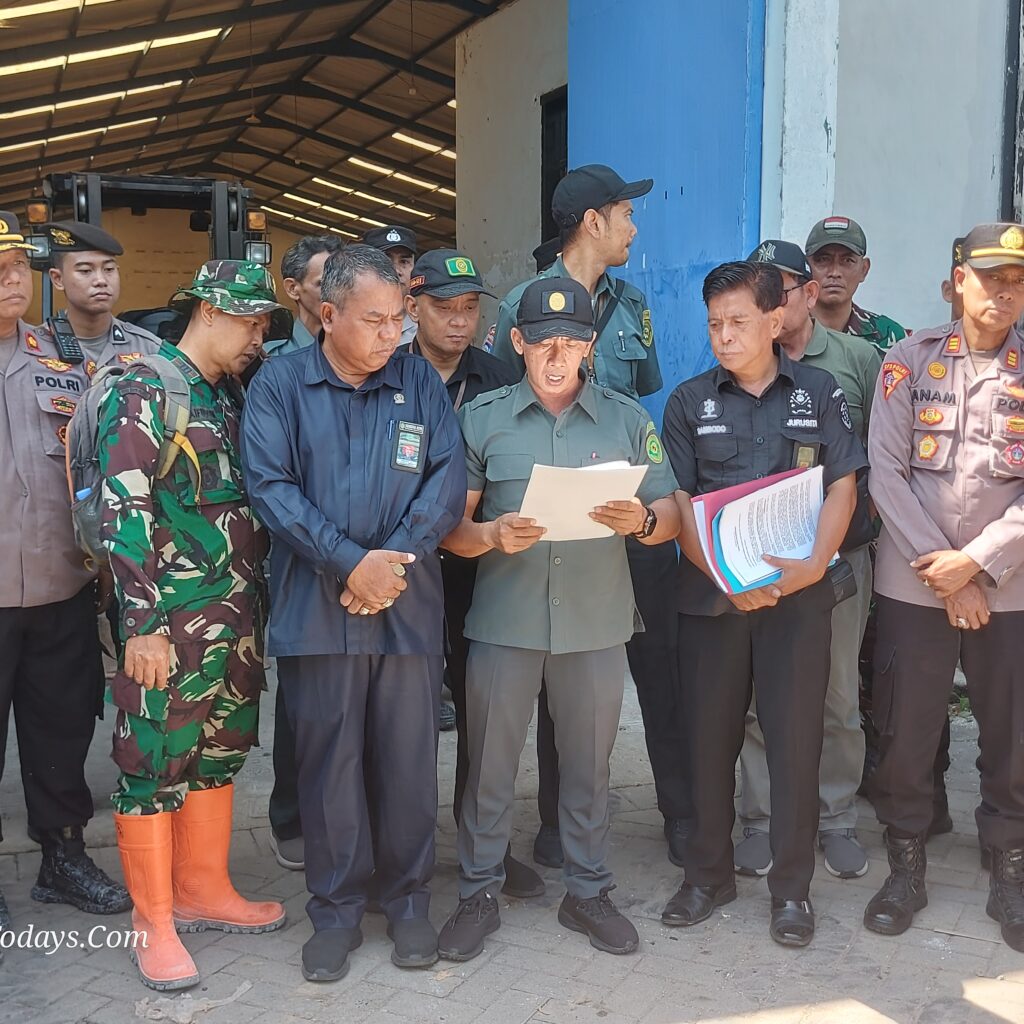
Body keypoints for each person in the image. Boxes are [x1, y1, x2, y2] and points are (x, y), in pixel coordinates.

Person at [436, 278, 681, 961]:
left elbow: (677, 511)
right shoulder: (482, 419)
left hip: (596, 625)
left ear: (591, 345)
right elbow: (448, 527)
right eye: (541, 341)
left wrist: (646, 521)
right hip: (505, 623)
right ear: (517, 342)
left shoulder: (628, 420)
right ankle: (479, 891)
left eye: (571, 342)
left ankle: (588, 891)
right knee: (488, 766)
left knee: (588, 768)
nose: (555, 354)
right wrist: (488, 536)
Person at [241, 245, 466, 982]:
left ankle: (406, 903)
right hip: (319, 608)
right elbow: (271, 488)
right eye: (376, 320)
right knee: (327, 765)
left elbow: (446, 476)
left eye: (400, 318)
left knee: (407, 764)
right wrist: (349, 561)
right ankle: (334, 910)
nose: (393, 334)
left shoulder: (418, 383)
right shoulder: (280, 384)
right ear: (327, 315)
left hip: (404, 607)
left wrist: (389, 562)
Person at [98, 260, 290, 990]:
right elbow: (125, 506)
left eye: (265, 322)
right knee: (153, 764)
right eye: (249, 320)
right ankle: (154, 922)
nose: (259, 335)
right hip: (169, 629)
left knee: (219, 753)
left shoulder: (230, 394)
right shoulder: (147, 387)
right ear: (207, 311)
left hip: (235, 620)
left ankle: (203, 888)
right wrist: (139, 625)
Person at [661, 261, 864, 948]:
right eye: (714, 323)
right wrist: (724, 576)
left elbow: (842, 486)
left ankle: (791, 893)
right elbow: (681, 505)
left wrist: (811, 568)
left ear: (776, 320)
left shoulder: (820, 391)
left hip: (798, 599)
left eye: (738, 321)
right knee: (708, 743)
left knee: (794, 746)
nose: (723, 336)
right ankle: (708, 876)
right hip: (715, 603)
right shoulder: (690, 402)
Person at [492, 163, 690, 870]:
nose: (634, 226)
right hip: (554, 533)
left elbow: (638, 405)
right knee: (560, 673)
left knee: (660, 667)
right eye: (624, 213)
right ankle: (556, 825)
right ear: (591, 222)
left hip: (627, 519)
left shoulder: (632, 304)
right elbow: (501, 404)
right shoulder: (518, 304)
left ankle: (682, 814)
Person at [863, 223, 1024, 953]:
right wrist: (943, 568)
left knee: (1012, 735)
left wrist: (980, 564)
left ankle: (1010, 865)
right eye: (990, 276)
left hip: (1009, 586)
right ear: (958, 279)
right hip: (915, 586)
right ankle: (906, 861)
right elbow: (885, 474)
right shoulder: (907, 361)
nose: (1003, 290)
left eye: (1016, 279)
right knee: (906, 731)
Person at [0, 212, 130, 950]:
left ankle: (62, 858)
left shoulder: (62, 362)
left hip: (59, 587)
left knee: (59, 733)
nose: (10, 280)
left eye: (17, 266)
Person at [734, 240, 881, 880]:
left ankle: (837, 816)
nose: (769, 301)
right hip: (761, 558)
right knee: (758, 698)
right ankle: (762, 820)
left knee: (838, 693)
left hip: (840, 559)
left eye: (780, 288)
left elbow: (879, 456)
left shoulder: (858, 360)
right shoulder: (741, 366)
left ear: (805, 293)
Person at [401, 248, 545, 896]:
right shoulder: (389, 374)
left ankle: (481, 843)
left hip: (481, 565)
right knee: (404, 714)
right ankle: (403, 849)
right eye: (443, 308)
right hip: (402, 567)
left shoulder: (498, 376)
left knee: (481, 715)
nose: (458, 322)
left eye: (468, 310)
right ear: (413, 307)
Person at [262, 236, 345, 874]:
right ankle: (290, 814)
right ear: (296, 290)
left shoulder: (382, 365)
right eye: (324, 280)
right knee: (299, 701)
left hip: (366, 565)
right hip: (294, 554)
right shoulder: (272, 364)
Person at [41, 220, 161, 370]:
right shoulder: (33, 349)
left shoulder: (150, 350)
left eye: (109, 269)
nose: (101, 281)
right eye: (85, 271)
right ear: (58, 279)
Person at [805, 217, 907, 353]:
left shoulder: (890, 336)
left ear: (864, 269)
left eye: (847, 260)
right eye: (823, 260)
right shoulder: (785, 332)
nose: (835, 272)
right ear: (805, 267)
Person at [264, 234, 344, 358]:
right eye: (323, 283)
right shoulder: (272, 357)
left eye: (342, 282)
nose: (337, 291)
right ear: (293, 289)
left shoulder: (359, 350)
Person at [364, 225, 418, 347]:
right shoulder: (349, 325)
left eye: (404, 262)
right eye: (386, 261)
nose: (396, 270)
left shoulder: (425, 331)